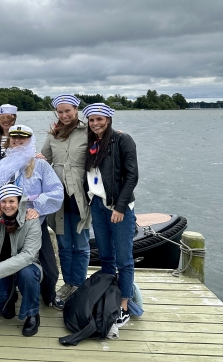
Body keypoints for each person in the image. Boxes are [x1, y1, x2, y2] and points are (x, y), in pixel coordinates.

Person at [0, 124, 63, 307]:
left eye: (22, 138)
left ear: (30, 140)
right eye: (14, 138)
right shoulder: (3, 165)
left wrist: (37, 208)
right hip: (4, 223)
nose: (18, 141)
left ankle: (49, 296)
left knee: (50, 268)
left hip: (32, 221)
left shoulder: (41, 165)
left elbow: (56, 191)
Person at [83, 103, 138, 327]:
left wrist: (120, 207)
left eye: (100, 119)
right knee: (106, 256)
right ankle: (108, 295)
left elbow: (132, 175)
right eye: (91, 120)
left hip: (118, 205)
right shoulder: (91, 142)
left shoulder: (122, 140)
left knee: (124, 259)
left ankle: (124, 304)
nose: (95, 123)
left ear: (108, 119)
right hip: (97, 204)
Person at [41, 94, 91, 309]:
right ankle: (68, 283)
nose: (64, 115)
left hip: (81, 193)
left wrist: (118, 135)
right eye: (60, 112)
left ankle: (78, 283)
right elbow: (43, 160)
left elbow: (106, 144)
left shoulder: (88, 131)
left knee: (81, 244)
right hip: (58, 194)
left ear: (76, 110)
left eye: (68, 111)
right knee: (63, 244)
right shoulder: (53, 135)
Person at [0, 184, 42, 337]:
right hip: (0, 265)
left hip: (26, 266)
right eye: (3, 201)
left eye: (12, 201)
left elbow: (28, 255)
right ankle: (9, 300)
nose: (7, 205)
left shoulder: (31, 220)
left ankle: (32, 313)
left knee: (27, 275)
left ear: (19, 202)